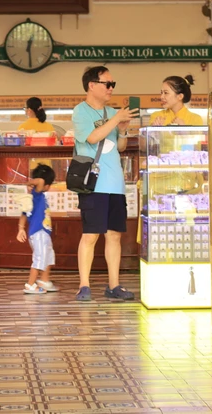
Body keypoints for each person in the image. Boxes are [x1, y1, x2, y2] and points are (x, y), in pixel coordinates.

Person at [73, 66, 135, 301]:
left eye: (113, 84)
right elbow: (91, 137)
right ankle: (84, 285)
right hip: (93, 183)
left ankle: (114, 285)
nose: (111, 88)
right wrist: (116, 119)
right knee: (90, 234)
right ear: (92, 85)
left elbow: (120, 147)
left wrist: (122, 130)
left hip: (115, 183)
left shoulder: (113, 112)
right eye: (107, 84)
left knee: (114, 235)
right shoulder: (80, 112)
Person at [16, 163, 58, 294]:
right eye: (49, 183)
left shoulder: (33, 197)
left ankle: (44, 280)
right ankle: (30, 284)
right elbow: (40, 181)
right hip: (38, 233)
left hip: (43, 233)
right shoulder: (37, 193)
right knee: (39, 258)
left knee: (49, 256)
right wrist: (30, 183)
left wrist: (21, 229)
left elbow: (24, 213)